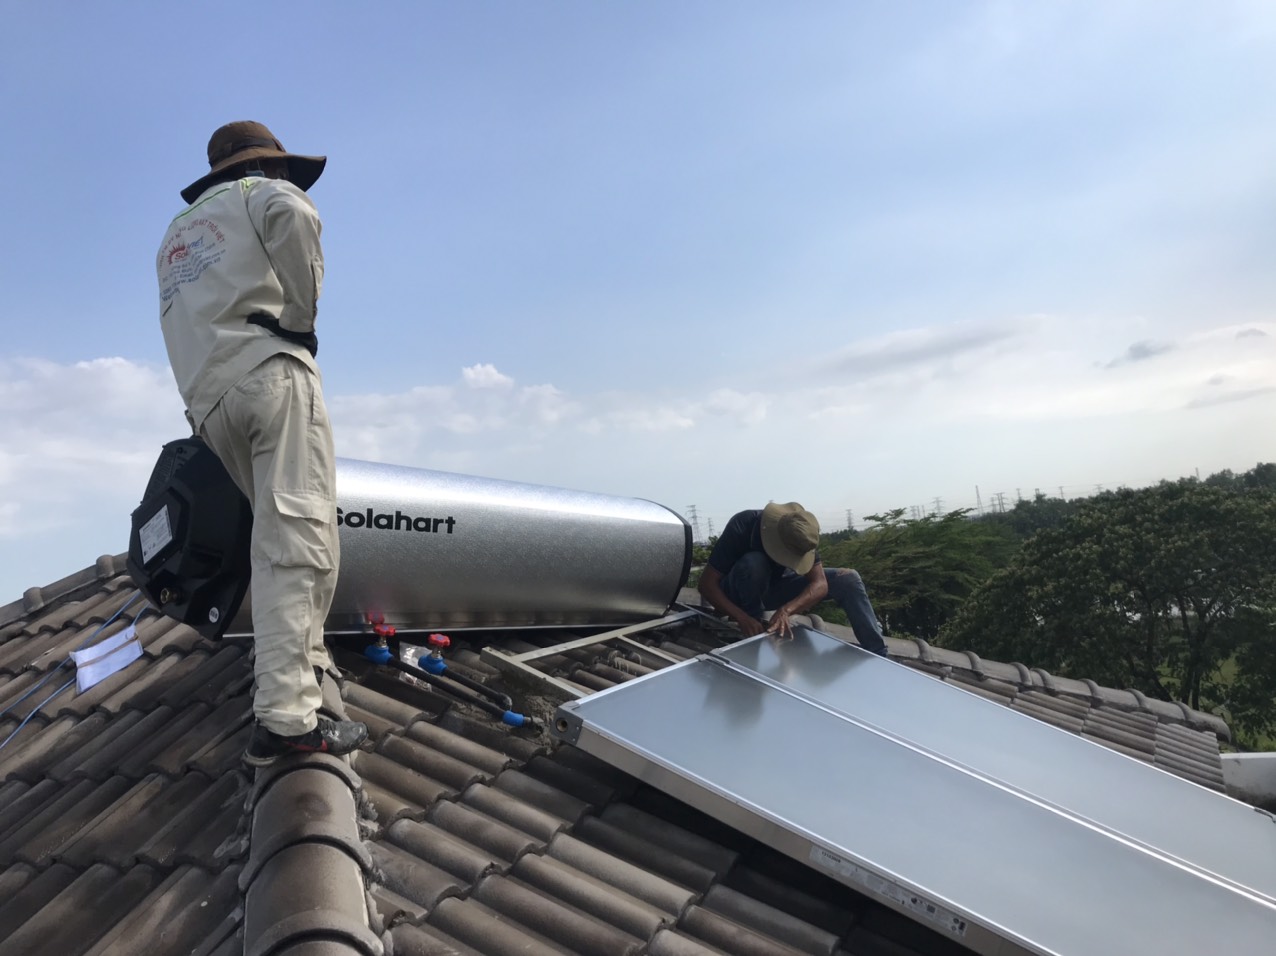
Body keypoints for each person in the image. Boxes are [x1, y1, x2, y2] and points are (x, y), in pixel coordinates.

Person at [156, 121, 368, 765]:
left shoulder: (174, 237)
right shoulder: (262, 193)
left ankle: (303, 663)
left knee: (279, 539)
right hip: (268, 374)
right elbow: (293, 213)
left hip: (211, 402)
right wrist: (300, 322)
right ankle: (286, 720)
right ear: (266, 165)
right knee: (298, 541)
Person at [698, 502, 890, 655]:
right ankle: (754, 630)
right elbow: (707, 585)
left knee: (848, 579)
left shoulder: (803, 535)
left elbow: (820, 583)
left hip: (774, 589)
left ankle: (877, 653)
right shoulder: (744, 525)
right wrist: (742, 618)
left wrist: (786, 610)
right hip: (738, 593)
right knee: (755, 562)